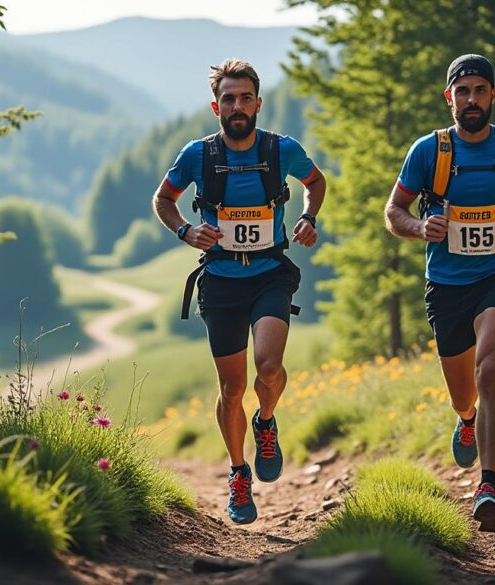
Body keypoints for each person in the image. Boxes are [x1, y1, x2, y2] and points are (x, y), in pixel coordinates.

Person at [384, 54, 495, 532]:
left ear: (493, 96)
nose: (471, 100)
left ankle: (488, 485)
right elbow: (394, 211)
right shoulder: (429, 152)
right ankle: (466, 419)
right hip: (446, 283)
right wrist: (421, 226)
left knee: (489, 371)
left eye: (479, 90)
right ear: (450, 99)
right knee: (465, 393)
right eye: (462, 92)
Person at [153, 59, 326, 525]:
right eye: (228, 99)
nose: (237, 106)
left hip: (270, 273)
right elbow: (163, 200)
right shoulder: (198, 155)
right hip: (221, 280)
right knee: (231, 389)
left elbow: (316, 182)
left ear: (257, 104)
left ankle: (266, 422)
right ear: (216, 106)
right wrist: (186, 231)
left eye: (245, 98)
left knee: (268, 368)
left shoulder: (281, 149)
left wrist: (308, 218)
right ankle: (238, 472)